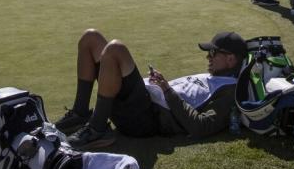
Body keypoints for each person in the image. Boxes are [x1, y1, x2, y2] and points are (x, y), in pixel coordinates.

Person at [55, 29, 246, 150]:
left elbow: (201, 127)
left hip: (148, 119)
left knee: (116, 49)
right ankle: (81, 113)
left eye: (213, 53)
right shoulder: (214, 77)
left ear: (231, 59)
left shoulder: (229, 93)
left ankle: (97, 129)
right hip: (142, 103)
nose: (208, 58)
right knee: (91, 38)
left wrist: (166, 89)